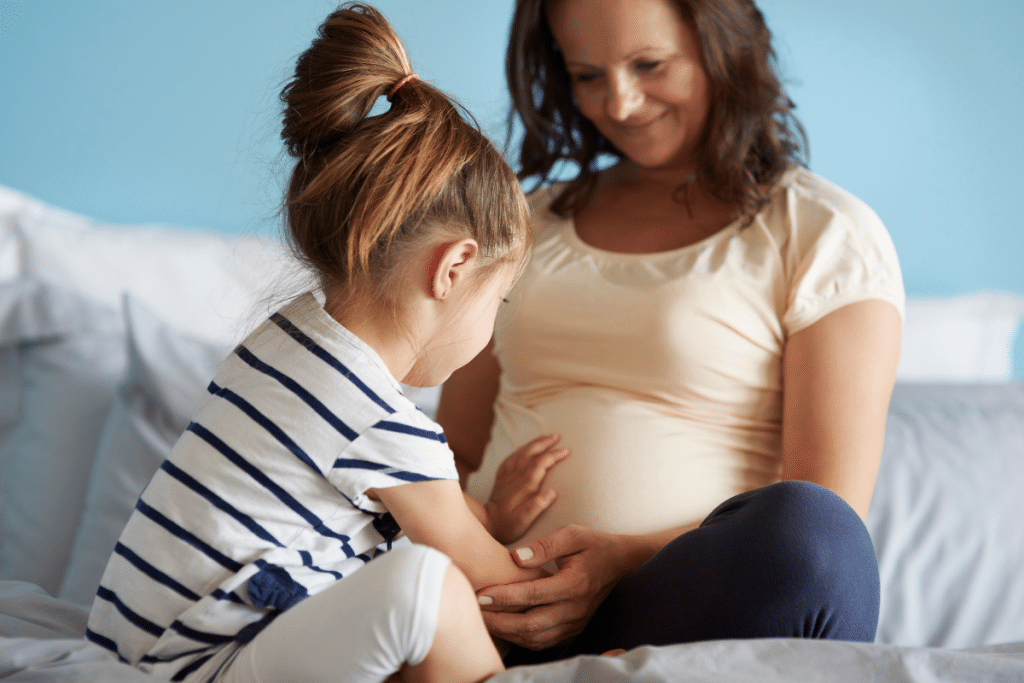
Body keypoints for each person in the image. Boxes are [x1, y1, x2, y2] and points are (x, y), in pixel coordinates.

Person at [85, 4, 571, 682]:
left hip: (149, 647)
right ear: (454, 268)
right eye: (499, 299)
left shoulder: (291, 337)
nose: (493, 322)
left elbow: (401, 500)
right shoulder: (371, 411)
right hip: (203, 666)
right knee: (427, 588)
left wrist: (487, 510)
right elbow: (494, 582)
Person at [437, 0, 905, 664]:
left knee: (817, 535)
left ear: (724, 47)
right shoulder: (518, 223)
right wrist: (481, 540)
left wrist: (619, 560)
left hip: (682, 606)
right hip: (495, 602)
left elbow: (829, 506)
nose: (620, 103)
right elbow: (449, 452)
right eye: (587, 74)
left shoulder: (823, 232)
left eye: (649, 64)